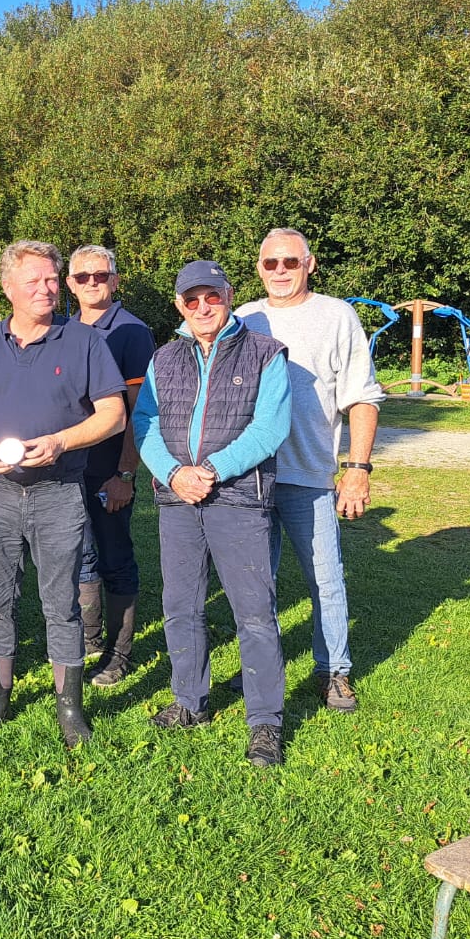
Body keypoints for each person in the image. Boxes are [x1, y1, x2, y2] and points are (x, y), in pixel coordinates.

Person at [0, 239, 127, 748]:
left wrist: (61, 442)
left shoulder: (83, 341)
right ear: (8, 288)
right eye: (34, 281)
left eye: (51, 279)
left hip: (59, 491)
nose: (47, 289)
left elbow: (114, 414)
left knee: (61, 603)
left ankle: (70, 707)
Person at [133, 260, 292, 767]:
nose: (203, 307)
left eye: (212, 296)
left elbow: (270, 428)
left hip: (239, 498)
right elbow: (144, 423)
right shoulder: (163, 358)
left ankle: (265, 721)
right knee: (181, 606)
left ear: (228, 295)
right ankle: (189, 701)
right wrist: (173, 474)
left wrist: (211, 470)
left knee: (255, 614)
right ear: (180, 305)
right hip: (177, 499)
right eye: (192, 299)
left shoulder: (266, 353)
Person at [236, 228, 382, 713]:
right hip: (249, 477)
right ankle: (261, 666)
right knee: (255, 582)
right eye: (270, 263)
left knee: (325, 579)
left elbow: (362, 397)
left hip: (309, 474)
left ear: (309, 264)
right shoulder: (244, 318)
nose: (280, 271)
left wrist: (357, 469)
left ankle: (333, 670)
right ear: (259, 267)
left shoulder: (337, 316)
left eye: (290, 262)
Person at [65, 245, 156, 687]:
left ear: (115, 281)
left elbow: (140, 412)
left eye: (100, 276)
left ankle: (119, 655)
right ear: (70, 284)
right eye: (82, 277)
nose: (92, 283)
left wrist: (125, 474)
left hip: (108, 469)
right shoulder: (63, 330)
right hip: (67, 469)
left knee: (115, 557)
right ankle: (90, 641)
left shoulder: (131, 332)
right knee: (80, 556)